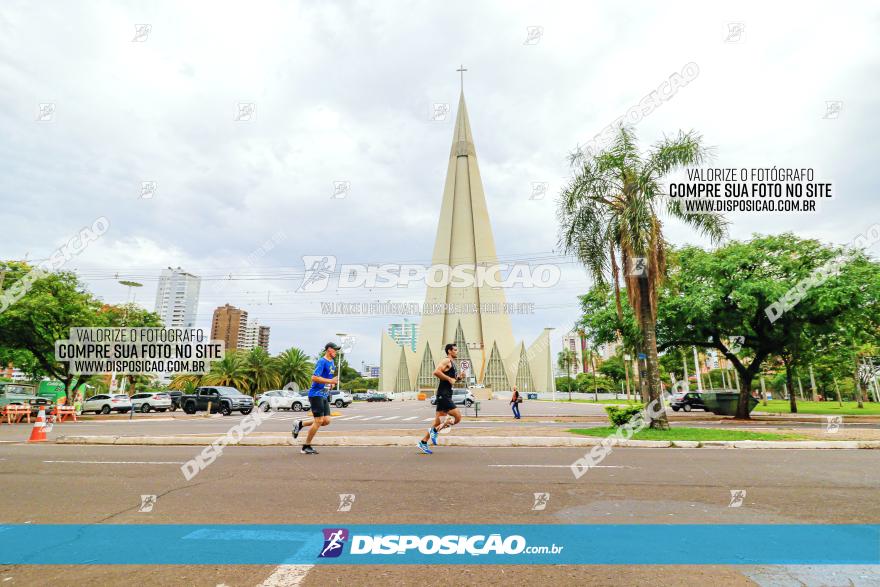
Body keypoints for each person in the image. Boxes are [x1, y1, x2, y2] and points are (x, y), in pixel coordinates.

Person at [292, 342, 340, 454]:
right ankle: (306, 446)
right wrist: (330, 381)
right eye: (335, 350)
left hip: (324, 394)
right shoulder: (322, 361)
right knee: (318, 421)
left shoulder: (332, 362)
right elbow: (314, 377)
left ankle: (300, 424)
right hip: (316, 394)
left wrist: (331, 383)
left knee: (326, 420)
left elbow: (328, 378)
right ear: (329, 349)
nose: (336, 352)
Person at [418, 343, 464, 454]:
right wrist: (449, 379)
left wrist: (458, 378)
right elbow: (436, 372)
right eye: (455, 350)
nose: (457, 351)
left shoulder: (452, 363)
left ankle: (423, 442)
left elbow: (452, 380)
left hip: (445, 393)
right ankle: (434, 431)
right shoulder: (446, 361)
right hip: (443, 394)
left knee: (437, 422)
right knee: (457, 417)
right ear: (449, 351)